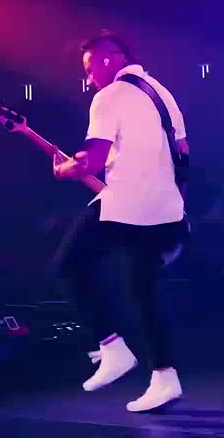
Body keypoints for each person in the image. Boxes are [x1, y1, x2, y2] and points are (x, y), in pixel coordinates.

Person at [52, 32, 190, 412]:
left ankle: (111, 348)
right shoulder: (162, 93)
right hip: (165, 210)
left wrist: (64, 170)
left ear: (109, 59)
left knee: (67, 266)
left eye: (89, 69)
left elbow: (92, 161)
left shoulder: (110, 96)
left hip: (125, 206)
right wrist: (174, 203)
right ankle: (165, 379)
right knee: (143, 291)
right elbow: (183, 155)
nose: (88, 79)